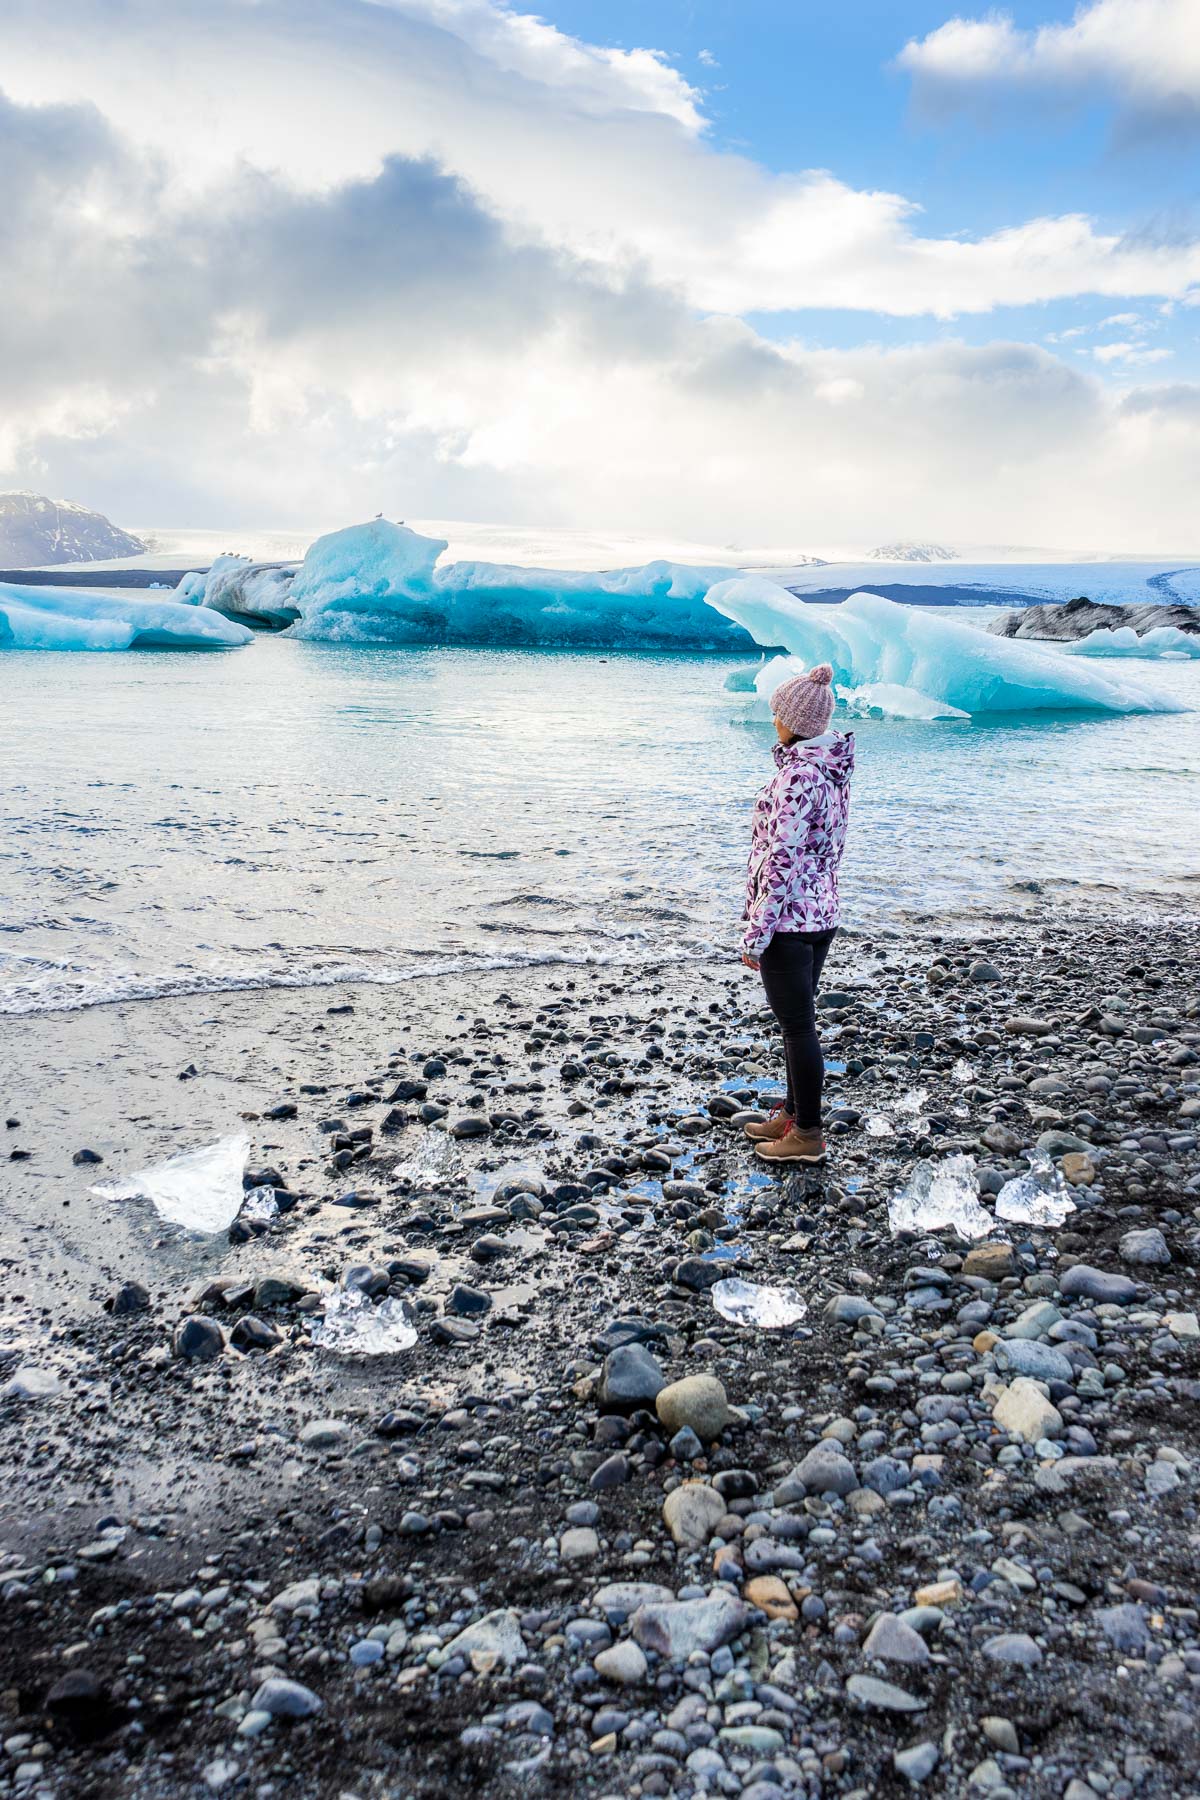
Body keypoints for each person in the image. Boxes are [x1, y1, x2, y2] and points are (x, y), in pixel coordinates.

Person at [740, 662, 854, 1166]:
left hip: (788, 922)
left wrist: (756, 933)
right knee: (798, 1023)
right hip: (820, 914)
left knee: (797, 1027)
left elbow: (780, 858)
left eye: (776, 713)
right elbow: (823, 849)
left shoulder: (797, 777)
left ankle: (807, 1133)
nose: (772, 721)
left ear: (793, 721)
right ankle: (792, 1114)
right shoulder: (831, 772)